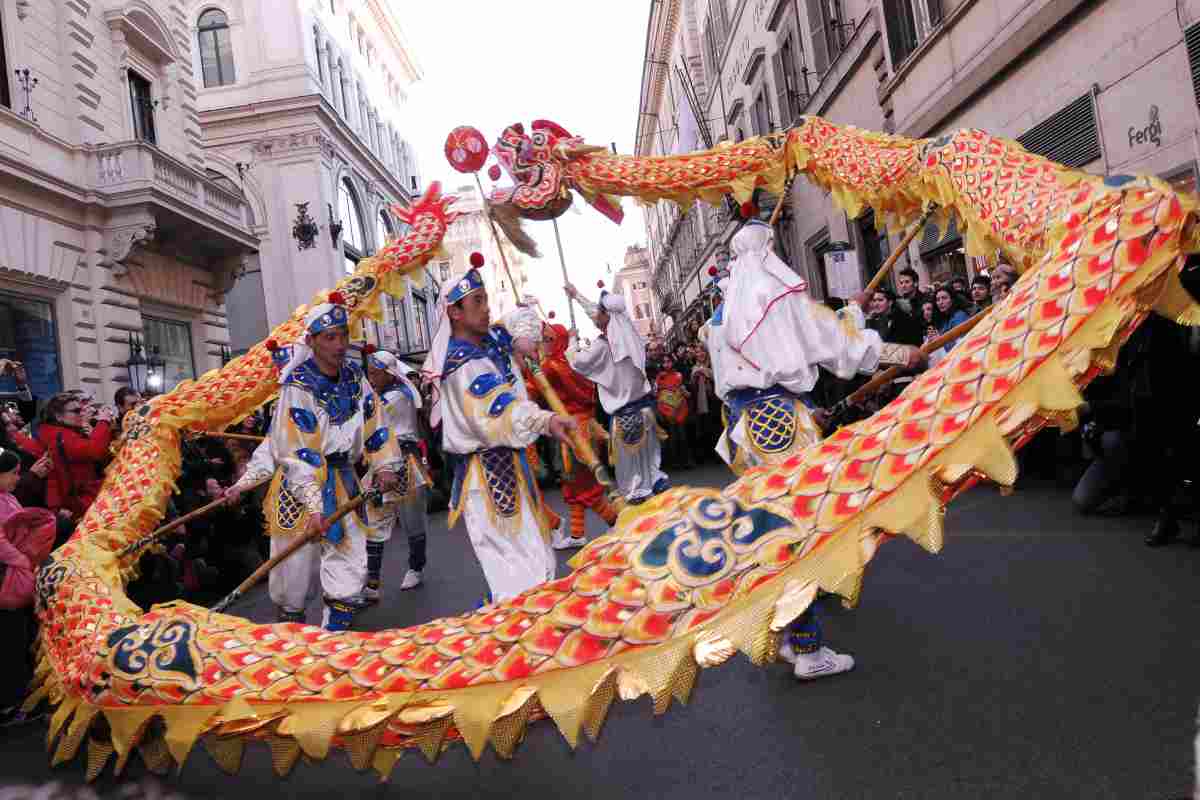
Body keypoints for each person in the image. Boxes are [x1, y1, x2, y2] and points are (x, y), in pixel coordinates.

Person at [707, 220, 924, 681]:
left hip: (748, 428)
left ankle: (787, 634)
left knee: (771, 533)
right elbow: (834, 346)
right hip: (783, 424)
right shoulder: (774, 292)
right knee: (800, 533)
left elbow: (811, 336)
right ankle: (808, 648)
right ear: (767, 250)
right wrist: (895, 353)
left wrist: (851, 312)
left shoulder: (726, 310)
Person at [224, 292, 403, 630]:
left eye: (343, 335)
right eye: (330, 337)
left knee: (349, 569)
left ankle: (333, 641)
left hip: (344, 482)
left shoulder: (355, 378)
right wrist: (307, 503)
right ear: (311, 341)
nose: (339, 344)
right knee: (293, 577)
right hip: (298, 491)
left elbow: (376, 426)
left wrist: (385, 465)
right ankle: (296, 640)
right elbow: (290, 452)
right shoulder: (297, 387)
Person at [423, 267, 576, 603]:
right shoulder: (462, 364)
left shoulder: (489, 341)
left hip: (510, 467)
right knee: (522, 581)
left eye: (486, 299)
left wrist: (522, 336)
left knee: (537, 568)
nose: (487, 307)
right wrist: (546, 421)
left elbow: (516, 322)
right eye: (477, 301)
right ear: (454, 312)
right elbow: (501, 409)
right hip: (488, 479)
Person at [564, 282, 669, 504]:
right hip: (646, 413)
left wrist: (572, 341)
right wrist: (576, 295)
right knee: (652, 472)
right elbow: (598, 312)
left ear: (607, 316)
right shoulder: (630, 334)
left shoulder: (603, 346)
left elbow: (577, 362)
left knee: (633, 484)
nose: (595, 317)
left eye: (600, 314)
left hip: (623, 419)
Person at [537, 322, 618, 549]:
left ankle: (614, 519)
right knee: (572, 484)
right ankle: (576, 533)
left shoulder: (553, 366)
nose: (543, 343)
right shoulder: (570, 362)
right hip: (579, 426)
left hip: (575, 430)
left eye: (548, 339)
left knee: (581, 483)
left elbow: (534, 386)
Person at [363, 349, 431, 597]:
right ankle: (371, 583)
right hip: (381, 464)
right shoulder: (382, 395)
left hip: (404, 462)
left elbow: (367, 421)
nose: (371, 379)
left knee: (412, 520)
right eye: (369, 374)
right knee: (375, 521)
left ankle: (416, 567)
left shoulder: (396, 397)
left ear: (388, 372)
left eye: (375, 374)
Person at [36, 392, 114, 521]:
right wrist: (103, 421)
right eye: (76, 411)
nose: (82, 413)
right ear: (58, 416)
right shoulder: (59, 436)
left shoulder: (59, 432)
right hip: (76, 505)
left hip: (78, 501)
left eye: (82, 409)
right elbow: (95, 450)